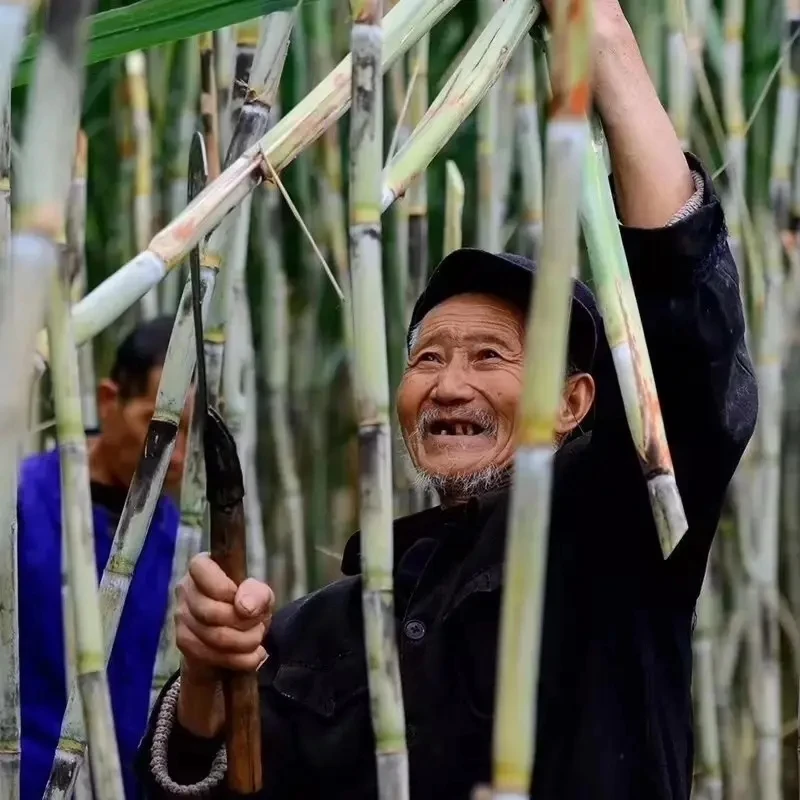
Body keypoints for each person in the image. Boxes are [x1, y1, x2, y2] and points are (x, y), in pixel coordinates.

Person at [137, 2, 757, 798]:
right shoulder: (321, 631)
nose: (449, 384)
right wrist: (203, 686)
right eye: (427, 358)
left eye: (489, 357)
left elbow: (684, 339)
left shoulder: (614, 541)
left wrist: (600, 33)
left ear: (575, 402)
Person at [18, 316, 190, 799]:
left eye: (193, 434)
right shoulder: (20, 505)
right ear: (109, 400)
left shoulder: (182, 543)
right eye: (163, 426)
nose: (179, 455)